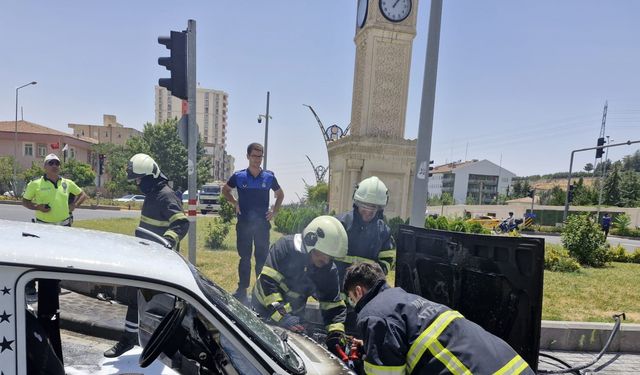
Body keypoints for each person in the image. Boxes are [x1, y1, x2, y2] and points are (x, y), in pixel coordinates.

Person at [343, 262, 535, 375]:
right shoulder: (406, 300)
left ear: (358, 291)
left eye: (352, 298)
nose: (354, 304)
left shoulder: (374, 313)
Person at [104, 153, 189, 358]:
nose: (138, 184)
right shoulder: (152, 193)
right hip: (146, 258)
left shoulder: (166, 195)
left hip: (160, 262)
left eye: (139, 179)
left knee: (161, 305)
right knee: (136, 299)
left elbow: (181, 223)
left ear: (151, 175)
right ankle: (129, 339)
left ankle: (167, 348)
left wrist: (166, 242)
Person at [252, 215, 348, 356]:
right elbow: (267, 283)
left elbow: (332, 305)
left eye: (331, 257)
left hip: (294, 316)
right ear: (310, 242)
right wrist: (283, 316)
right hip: (261, 309)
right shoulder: (285, 248)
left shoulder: (328, 269)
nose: (326, 261)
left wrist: (336, 333)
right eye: (324, 255)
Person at [222, 142, 284, 303]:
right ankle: (242, 290)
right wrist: (235, 203)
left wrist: (274, 211)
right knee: (244, 257)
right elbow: (225, 190)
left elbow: (280, 194)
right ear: (248, 156)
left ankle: (260, 292)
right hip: (244, 224)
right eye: (255, 156)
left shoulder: (269, 177)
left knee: (262, 258)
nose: (257, 159)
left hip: (262, 225)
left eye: (260, 156)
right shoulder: (239, 176)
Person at [334, 176, 395, 285]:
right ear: (357, 204)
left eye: (372, 209)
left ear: (379, 209)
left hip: (365, 290)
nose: (367, 212)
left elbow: (387, 260)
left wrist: (371, 279)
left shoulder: (384, 232)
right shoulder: (340, 224)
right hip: (337, 288)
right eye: (364, 207)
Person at [22, 153, 87, 226]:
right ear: (44, 166)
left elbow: (83, 195)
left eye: (57, 163)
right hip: (43, 225)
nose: (54, 166)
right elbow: (25, 201)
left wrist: (74, 205)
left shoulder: (67, 183)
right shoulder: (35, 184)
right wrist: (37, 207)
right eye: (51, 163)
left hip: (65, 225)